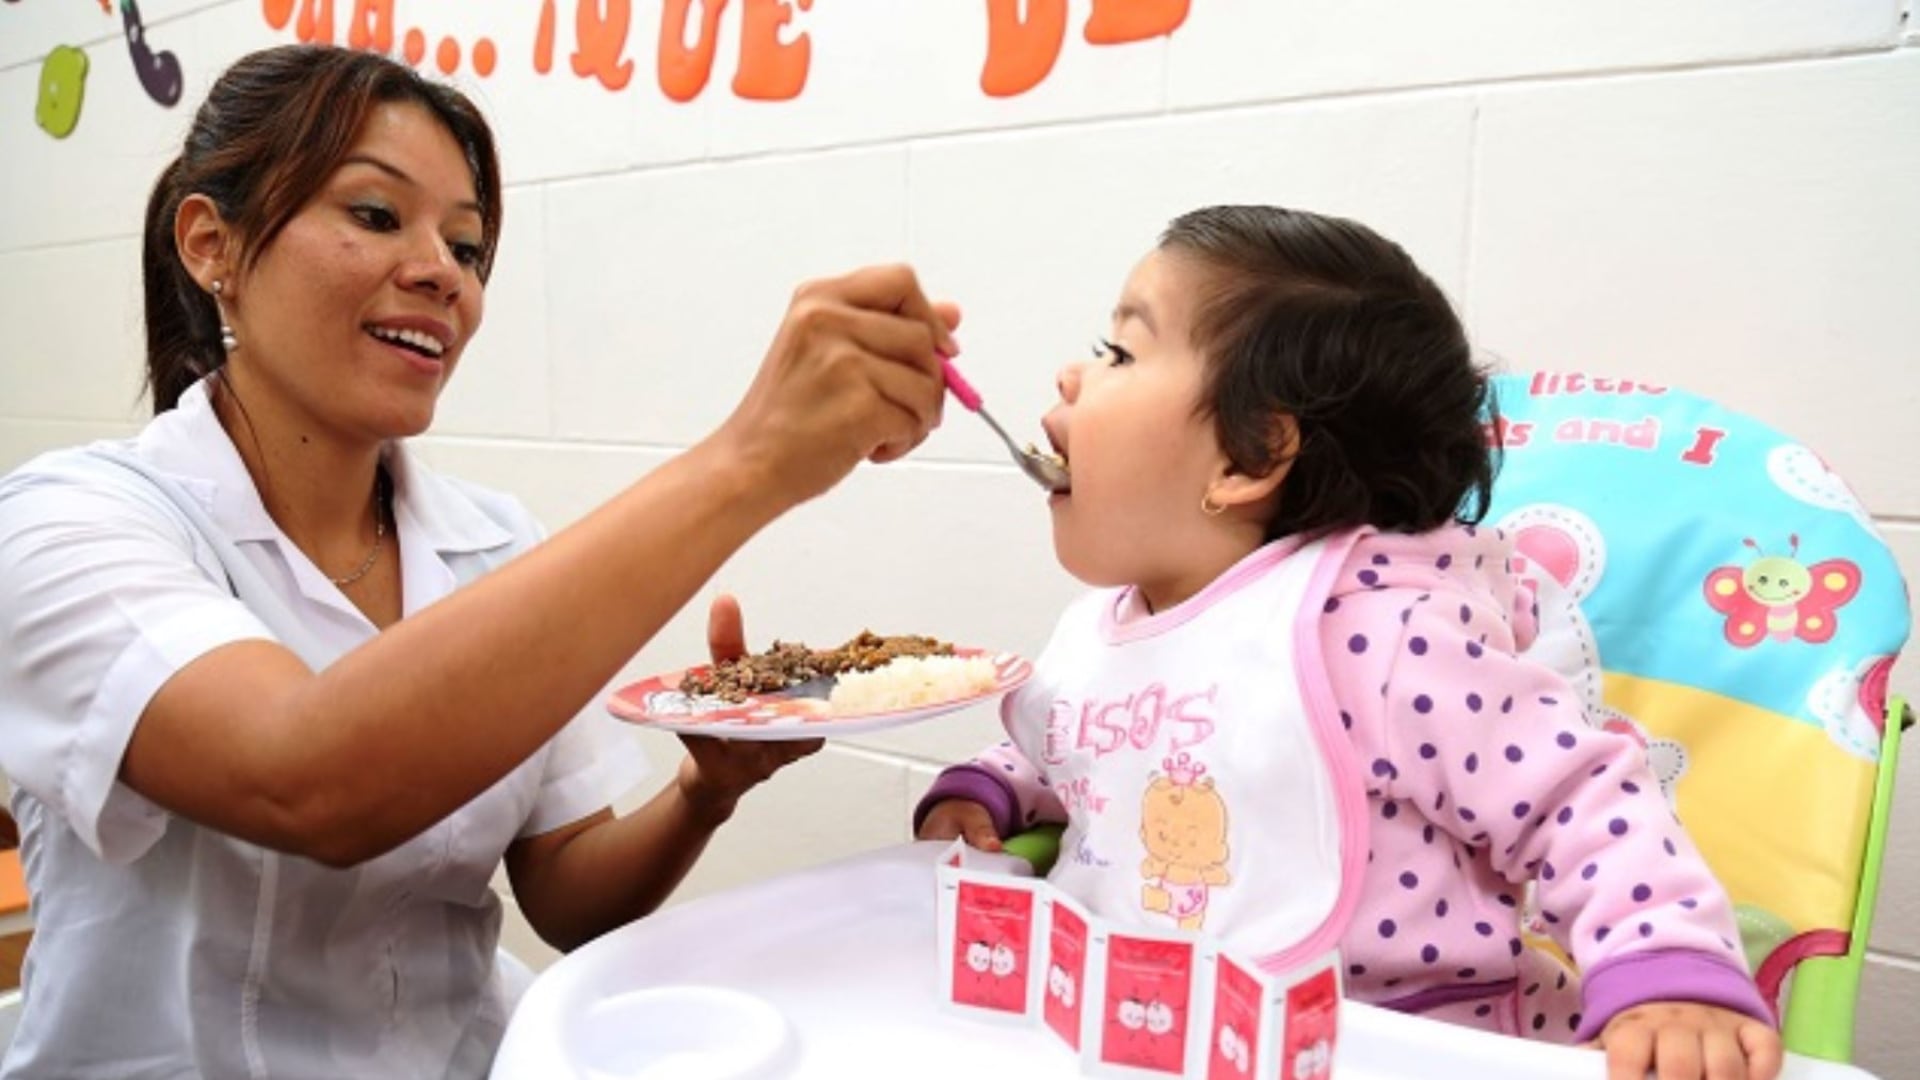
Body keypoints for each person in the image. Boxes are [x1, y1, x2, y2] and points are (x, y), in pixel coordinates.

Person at [0, 44, 958, 1078]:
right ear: (210, 243)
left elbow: (565, 898)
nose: (440, 273)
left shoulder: (493, 543)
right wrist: (748, 461)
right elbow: (308, 777)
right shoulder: (68, 527)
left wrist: (703, 790)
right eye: (376, 215)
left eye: (467, 246)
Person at [915, 205, 1782, 1080]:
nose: (1072, 375)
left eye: (1120, 354)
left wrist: (1665, 966)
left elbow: (1577, 797)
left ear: (1249, 458)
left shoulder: (1381, 635)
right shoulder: (1115, 626)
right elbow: (1102, 736)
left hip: (1404, 1046)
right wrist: (993, 788)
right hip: (1151, 1033)